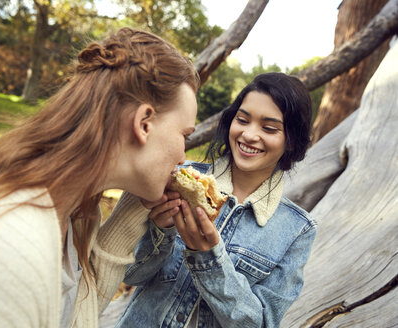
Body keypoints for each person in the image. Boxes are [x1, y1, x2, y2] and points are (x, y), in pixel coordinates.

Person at [0, 27, 199, 328]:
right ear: (144, 123)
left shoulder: (72, 215)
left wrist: (132, 209)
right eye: (184, 135)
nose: (182, 158)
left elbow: (69, 315)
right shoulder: (1, 254)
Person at [114, 72, 318, 327]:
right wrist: (161, 232)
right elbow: (130, 276)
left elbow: (261, 323)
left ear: (291, 141)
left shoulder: (297, 230)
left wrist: (208, 257)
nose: (249, 135)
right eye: (242, 120)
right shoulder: (176, 175)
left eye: (269, 128)